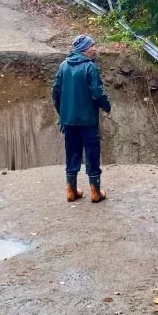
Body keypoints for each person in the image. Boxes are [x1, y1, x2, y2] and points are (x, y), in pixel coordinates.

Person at [52, 35, 112, 203]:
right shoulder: (90, 67)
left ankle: (71, 191)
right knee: (92, 154)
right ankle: (95, 192)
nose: (94, 49)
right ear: (84, 49)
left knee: (72, 153)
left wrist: (63, 114)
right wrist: (106, 106)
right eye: (92, 46)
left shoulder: (63, 66)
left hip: (69, 121)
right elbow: (97, 93)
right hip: (88, 120)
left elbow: (55, 92)